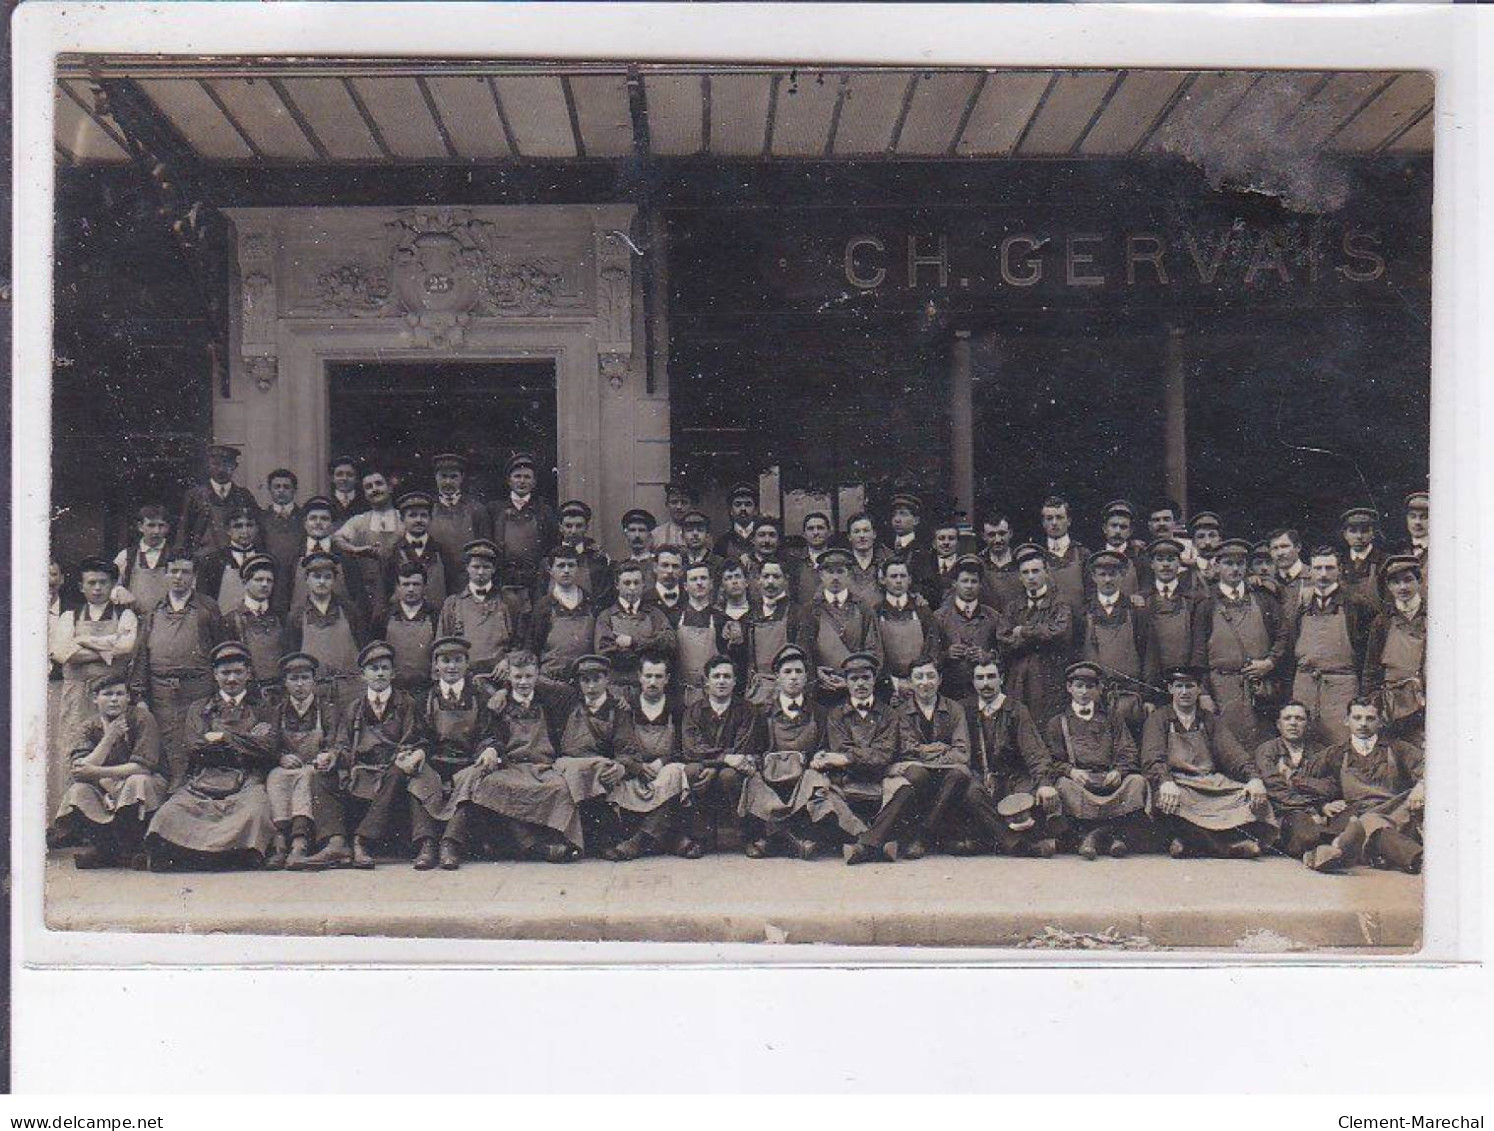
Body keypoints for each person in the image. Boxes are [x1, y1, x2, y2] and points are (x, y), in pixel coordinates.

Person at [145, 641, 279, 870]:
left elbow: (267, 747)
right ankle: (217, 855)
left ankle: (217, 855)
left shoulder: (263, 707)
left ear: (248, 674)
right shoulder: (200, 708)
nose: (232, 679)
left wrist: (222, 737)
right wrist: (245, 739)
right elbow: (195, 746)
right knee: (169, 814)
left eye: (238, 672)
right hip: (205, 777)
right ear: (215, 675)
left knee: (256, 811)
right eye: (225, 673)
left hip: (248, 777)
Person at [736, 644, 866, 859]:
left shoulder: (819, 712)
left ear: (806, 677)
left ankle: (780, 840)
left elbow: (826, 746)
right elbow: (754, 749)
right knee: (752, 783)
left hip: (805, 777)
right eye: (787, 672)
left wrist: (819, 757)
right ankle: (791, 840)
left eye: (798, 671)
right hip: (772, 778)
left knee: (818, 785)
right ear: (777, 677)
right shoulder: (763, 713)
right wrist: (760, 763)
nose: (793, 677)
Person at [1140, 665, 1274, 859]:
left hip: (1209, 783)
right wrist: (1165, 781)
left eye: (1190, 686)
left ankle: (1189, 844)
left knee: (1250, 799)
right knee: (1170, 802)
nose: (1184, 692)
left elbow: (1233, 754)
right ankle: (1226, 848)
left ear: (1199, 689)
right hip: (1177, 784)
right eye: (1179, 686)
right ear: (1170, 689)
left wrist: (1253, 779)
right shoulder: (1159, 719)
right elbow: (1152, 758)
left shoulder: (1210, 720)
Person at [464, 648, 584, 861]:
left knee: (562, 789)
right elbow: (487, 734)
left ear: (538, 675)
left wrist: (525, 685)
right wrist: (490, 748)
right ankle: (535, 847)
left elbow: (572, 692)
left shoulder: (549, 700)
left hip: (543, 767)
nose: (523, 682)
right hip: (512, 766)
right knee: (490, 785)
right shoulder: (498, 705)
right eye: (517, 677)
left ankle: (551, 842)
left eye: (529, 676)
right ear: (509, 676)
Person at [50, 672, 168, 869]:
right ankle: (105, 848)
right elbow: (79, 770)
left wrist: (98, 774)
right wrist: (109, 738)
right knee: (79, 790)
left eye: (120, 694)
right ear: (95, 698)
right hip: (106, 786)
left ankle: (134, 847)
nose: (114, 699)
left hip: (146, 786)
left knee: (136, 781)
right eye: (107, 694)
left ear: (128, 697)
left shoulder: (141, 718)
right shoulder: (89, 726)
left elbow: (142, 767)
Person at [331, 641, 433, 869]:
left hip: (394, 768)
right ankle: (336, 842)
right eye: (373, 668)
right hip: (363, 770)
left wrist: (403, 755)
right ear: (363, 675)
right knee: (325, 778)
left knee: (398, 773)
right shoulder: (354, 709)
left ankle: (361, 840)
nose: (379, 673)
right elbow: (343, 745)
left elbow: (411, 739)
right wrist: (334, 757)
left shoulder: (406, 703)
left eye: (384, 668)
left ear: (393, 673)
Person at [408, 635, 503, 870]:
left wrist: (489, 749)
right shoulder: (424, 700)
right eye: (446, 661)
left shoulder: (480, 698)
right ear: (436, 665)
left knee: (473, 778)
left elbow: (489, 733)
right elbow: (420, 736)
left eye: (458, 660)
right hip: (436, 760)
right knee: (418, 777)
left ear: (466, 664)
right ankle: (427, 843)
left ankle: (450, 843)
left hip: (467, 760)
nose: (451, 666)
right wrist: (419, 750)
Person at [130, 550, 222, 789]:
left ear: (194, 576)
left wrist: (217, 694)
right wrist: (139, 696)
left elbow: (221, 653)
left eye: (185, 571)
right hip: (162, 692)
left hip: (198, 690)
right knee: (166, 747)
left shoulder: (207, 608)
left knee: (195, 742)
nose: (179, 577)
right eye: (173, 571)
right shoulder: (154, 610)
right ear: (165, 574)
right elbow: (141, 656)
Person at [1302, 699, 1424, 874]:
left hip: (1397, 810)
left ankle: (1343, 848)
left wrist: (1422, 785)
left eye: (1370, 718)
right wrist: (1323, 804)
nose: (1363, 724)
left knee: (1366, 825)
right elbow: (1302, 778)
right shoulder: (1335, 753)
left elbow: (1430, 765)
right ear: (1346, 720)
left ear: (1380, 721)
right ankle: (1417, 859)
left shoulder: (1396, 748)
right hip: (1358, 813)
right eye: (1357, 718)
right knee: (1368, 824)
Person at [1190, 538, 1290, 750]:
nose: (1235, 569)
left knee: (1263, 745)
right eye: (1228, 563)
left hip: (1261, 688)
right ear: (1216, 566)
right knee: (1227, 748)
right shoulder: (1206, 605)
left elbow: (1283, 636)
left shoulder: (1264, 599)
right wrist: (1204, 693)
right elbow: (1198, 653)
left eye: (1240, 563)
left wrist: (1270, 662)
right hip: (1222, 688)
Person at [1044, 661, 1149, 859]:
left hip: (1109, 780)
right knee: (1062, 786)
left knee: (1137, 782)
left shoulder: (1112, 717)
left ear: (1099, 689)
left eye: (1090, 686)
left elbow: (1128, 750)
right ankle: (1105, 837)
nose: (1084, 692)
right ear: (1069, 688)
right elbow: (1051, 759)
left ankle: (1096, 837)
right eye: (1079, 686)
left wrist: (1119, 771)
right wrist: (1070, 771)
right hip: (1080, 783)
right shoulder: (1058, 722)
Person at [963, 653, 1062, 856]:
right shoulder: (965, 710)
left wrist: (1044, 783)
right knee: (971, 793)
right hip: (980, 780)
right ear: (973, 682)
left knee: (1030, 798)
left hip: (1012, 779)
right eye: (980, 678)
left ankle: (990, 841)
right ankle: (1018, 846)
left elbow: (1035, 752)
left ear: (1001, 678)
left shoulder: (1016, 710)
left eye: (991, 677)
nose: (986, 684)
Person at [603, 653, 697, 861]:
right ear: (639, 677)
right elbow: (618, 745)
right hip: (636, 768)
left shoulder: (678, 708)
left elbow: (685, 748)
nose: (653, 682)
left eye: (658, 676)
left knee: (675, 774)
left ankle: (638, 841)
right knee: (619, 782)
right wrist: (637, 766)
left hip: (665, 766)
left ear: (667, 679)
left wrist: (662, 761)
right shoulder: (627, 707)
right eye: (648, 676)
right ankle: (670, 839)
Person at [51, 557, 139, 777]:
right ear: (81, 586)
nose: (98, 588)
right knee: (75, 749)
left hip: (112, 696)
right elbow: (62, 653)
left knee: (115, 749)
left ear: (112, 584)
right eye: (91, 583)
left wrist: (82, 641)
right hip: (77, 697)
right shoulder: (69, 617)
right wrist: (108, 648)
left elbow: (126, 647)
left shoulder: (125, 615)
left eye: (103, 582)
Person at [265, 652, 351, 870]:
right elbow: (271, 743)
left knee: (306, 776)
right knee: (276, 777)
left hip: (316, 767)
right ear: (285, 683)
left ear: (314, 681)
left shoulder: (326, 709)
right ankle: (280, 842)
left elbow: (335, 739)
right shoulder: (279, 711)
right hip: (289, 767)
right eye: (294, 679)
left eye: (305, 678)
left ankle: (299, 843)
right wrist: (281, 757)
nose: (300, 685)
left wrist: (328, 754)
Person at [1291, 546, 1376, 745]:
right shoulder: (1302, 605)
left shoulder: (1355, 604)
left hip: (1342, 687)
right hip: (1305, 685)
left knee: (1341, 743)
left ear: (1339, 570)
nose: (1323, 574)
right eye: (1318, 568)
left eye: (1329, 568)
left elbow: (1367, 654)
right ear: (1309, 571)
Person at [679, 651, 761, 852]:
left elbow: (743, 748)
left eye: (727, 676)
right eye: (716, 676)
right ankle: (701, 838)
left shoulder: (747, 710)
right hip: (711, 764)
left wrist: (715, 766)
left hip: (732, 769)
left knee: (729, 775)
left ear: (735, 681)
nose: (721, 681)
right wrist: (723, 759)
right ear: (707, 682)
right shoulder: (694, 711)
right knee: (691, 771)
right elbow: (692, 748)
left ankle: (745, 838)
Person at [833, 653, 908, 865]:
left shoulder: (889, 714)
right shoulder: (836, 714)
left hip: (880, 780)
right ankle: (879, 843)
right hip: (849, 780)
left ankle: (863, 845)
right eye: (854, 679)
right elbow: (840, 748)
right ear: (846, 683)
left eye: (865, 677)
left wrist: (848, 758)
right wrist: (853, 758)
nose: (860, 684)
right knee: (822, 791)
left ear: (874, 679)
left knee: (906, 789)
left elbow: (883, 755)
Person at [554, 654, 633, 851]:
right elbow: (534, 681)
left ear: (607, 680)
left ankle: (598, 840)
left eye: (596, 680)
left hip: (598, 770)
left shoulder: (617, 709)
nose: (591, 686)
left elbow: (628, 750)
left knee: (600, 768)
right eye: (585, 680)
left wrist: (622, 766)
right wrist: (503, 691)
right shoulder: (568, 702)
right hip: (567, 766)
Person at [996, 544, 1073, 728]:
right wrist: (1039, 637)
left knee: (1048, 724)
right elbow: (1003, 638)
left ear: (1046, 572)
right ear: (1020, 577)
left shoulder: (1059, 602)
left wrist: (1024, 632)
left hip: (1050, 674)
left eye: (1036, 571)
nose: (1031, 577)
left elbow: (1059, 631)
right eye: (1026, 572)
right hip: (1019, 677)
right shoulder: (1013, 606)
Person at [1076, 549, 1150, 739]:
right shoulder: (1083, 613)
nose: (1108, 580)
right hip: (1093, 697)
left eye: (1113, 574)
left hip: (1130, 697)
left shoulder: (1136, 611)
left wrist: (1149, 697)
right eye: (1102, 574)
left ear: (1122, 575)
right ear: (1093, 576)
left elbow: (1148, 655)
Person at [797, 546, 883, 705]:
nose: (835, 577)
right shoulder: (810, 610)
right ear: (821, 575)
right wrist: (815, 674)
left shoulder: (863, 608)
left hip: (857, 688)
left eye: (840, 571)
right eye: (830, 571)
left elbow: (873, 650)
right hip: (821, 691)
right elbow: (804, 650)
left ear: (849, 575)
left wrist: (853, 679)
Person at [284, 550, 368, 709]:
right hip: (313, 692)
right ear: (306, 580)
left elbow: (363, 647)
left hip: (351, 691)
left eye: (327, 577)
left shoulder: (349, 610)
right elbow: (291, 655)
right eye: (316, 577)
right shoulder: (296, 615)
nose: (322, 582)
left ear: (335, 580)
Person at [1253, 701, 1337, 859]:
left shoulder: (1320, 751)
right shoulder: (1267, 750)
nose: (1293, 723)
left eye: (1299, 718)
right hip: (1282, 812)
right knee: (1303, 829)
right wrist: (1314, 806)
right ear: (1278, 724)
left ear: (1307, 723)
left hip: (1315, 812)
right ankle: (1317, 851)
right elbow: (1275, 789)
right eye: (1287, 718)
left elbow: (1330, 786)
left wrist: (1294, 781)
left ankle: (1324, 849)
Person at [487, 451, 559, 622]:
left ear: (534, 482)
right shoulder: (494, 510)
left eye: (527, 477)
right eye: (517, 476)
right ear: (509, 480)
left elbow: (552, 546)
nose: (522, 481)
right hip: (503, 580)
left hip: (535, 581)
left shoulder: (544, 511)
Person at [1364, 554, 1426, 746]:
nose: (1403, 587)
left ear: (1419, 581)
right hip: (1392, 704)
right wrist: (1373, 704)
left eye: (1408, 580)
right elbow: (1371, 668)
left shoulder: (1434, 616)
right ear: (1389, 587)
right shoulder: (1382, 622)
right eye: (1396, 582)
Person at [594, 559, 678, 692]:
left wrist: (633, 642)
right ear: (617, 585)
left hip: (649, 689)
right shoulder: (606, 616)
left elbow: (669, 642)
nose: (632, 588)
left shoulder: (655, 614)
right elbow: (605, 653)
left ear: (643, 584)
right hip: (616, 689)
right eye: (627, 583)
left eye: (636, 582)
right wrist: (650, 650)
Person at [332, 465, 403, 619]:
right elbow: (337, 538)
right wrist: (355, 550)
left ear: (390, 488)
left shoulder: (403, 518)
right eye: (368, 487)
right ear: (364, 494)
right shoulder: (359, 521)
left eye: (379, 484)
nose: (374, 489)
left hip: (402, 592)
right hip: (370, 596)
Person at [439, 539, 517, 676]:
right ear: (467, 568)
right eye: (476, 567)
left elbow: (519, 641)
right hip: (463, 676)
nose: (480, 572)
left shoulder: (508, 602)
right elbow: (441, 644)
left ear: (493, 569)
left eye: (486, 567)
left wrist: (508, 661)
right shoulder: (453, 603)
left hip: (499, 676)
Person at [930, 554, 999, 702]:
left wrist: (987, 656)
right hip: (949, 692)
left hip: (984, 692)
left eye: (974, 581)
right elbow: (930, 656)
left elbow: (1005, 654)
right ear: (955, 583)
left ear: (980, 585)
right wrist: (947, 654)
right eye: (964, 581)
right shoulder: (939, 618)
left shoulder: (993, 617)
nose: (969, 586)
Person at [175, 441, 259, 557]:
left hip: (237, 558)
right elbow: (183, 531)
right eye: (216, 464)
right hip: (204, 558)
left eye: (226, 465)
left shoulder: (243, 495)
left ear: (235, 466)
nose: (221, 469)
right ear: (208, 465)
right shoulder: (195, 496)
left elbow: (256, 528)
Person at [873, 556, 940, 701]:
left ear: (909, 579)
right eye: (893, 576)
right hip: (888, 689)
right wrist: (895, 684)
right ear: (883, 580)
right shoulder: (875, 612)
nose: (898, 581)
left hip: (920, 685)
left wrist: (916, 680)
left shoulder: (923, 610)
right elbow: (874, 650)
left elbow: (932, 646)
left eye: (902, 576)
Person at [1140, 536, 1200, 693]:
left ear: (1179, 564)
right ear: (1152, 564)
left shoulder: (1193, 600)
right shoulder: (1141, 600)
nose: (1165, 564)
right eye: (1160, 559)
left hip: (1184, 679)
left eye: (1171, 559)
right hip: (1152, 679)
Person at [530, 544, 598, 681]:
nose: (566, 570)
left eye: (571, 565)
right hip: (552, 679)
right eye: (561, 566)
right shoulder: (543, 606)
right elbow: (533, 647)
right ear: (550, 570)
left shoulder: (591, 603)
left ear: (578, 568)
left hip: (585, 678)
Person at [220, 553, 286, 693]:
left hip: (280, 690)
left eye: (269, 581)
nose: (264, 584)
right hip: (249, 691)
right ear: (245, 583)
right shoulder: (231, 620)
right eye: (259, 579)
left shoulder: (282, 617)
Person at [741, 557, 800, 705]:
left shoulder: (797, 613)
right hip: (757, 692)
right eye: (766, 576)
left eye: (776, 576)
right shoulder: (749, 616)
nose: (770, 582)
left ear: (786, 580)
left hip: (788, 690)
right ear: (758, 580)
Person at [428, 452, 490, 588]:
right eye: (443, 476)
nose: (448, 482)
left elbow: (485, 551)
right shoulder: (428, 510)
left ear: (462, 478)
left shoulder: (476, 510)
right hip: (436, 581)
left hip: (468, 582)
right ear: (436, 477)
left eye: (453, 477)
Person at [286, 496, 354, 615]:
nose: (318, 522)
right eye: (313, 518)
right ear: (304, 523)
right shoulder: (293, 556)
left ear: (332, 525)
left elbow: (357, 599)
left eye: (324, 519)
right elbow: (283, 599)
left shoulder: (345, 557)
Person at [383, 491, 449, 610]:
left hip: (436, 618)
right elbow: (385, 591)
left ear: (430, 518)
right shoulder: (392, 551)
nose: (419, 520)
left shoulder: (441, 550)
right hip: (402, 621)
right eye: (412, 515)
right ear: (402, 519)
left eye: (423, 515)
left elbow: (451, 586)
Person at [382, 561, 441, 693]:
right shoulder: (384, 617)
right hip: (393, 691)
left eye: (416, 584)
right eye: (406, 584)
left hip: (428, 690)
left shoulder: (436, 616)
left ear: (425, 587)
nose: (411, 589)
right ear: (397, 587)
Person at [193, 506, 264, 613]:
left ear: (257, 528)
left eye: (249, 525)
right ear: (228, 530)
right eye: (238, 526)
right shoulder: (212, 561)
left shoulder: (265, 559)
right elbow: (203, 599)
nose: (244, 531)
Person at [111, 503, 173, 615]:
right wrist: (118, 591)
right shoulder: (126, 556)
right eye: (151, 525)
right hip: (133, 621)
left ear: (167, 528)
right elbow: (110, 586)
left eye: (161, 526)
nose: (156, 531)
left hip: (167, 622)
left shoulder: (175, 557)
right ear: (140, 526)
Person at [673, 561, 720, 705]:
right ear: (685, 586)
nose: (699, 583)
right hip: (681, 696)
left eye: (703, 578)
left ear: (711, 584)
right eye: (694, 579)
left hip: (714, 696)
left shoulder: (721, 619)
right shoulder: (674, 617)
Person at [551, 499, 612, 608]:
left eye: (579, 526)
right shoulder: (548, 560)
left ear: (586, 528)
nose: (573, 531)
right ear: (560, 527)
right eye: (568, 526)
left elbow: (604, 598)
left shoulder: (597, 560)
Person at [1040, 495, 1090, 609]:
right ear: (1043, 523)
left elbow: (1092, 592)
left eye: (1059, 517)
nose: (1054, 522)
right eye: (1049, 518)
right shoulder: (1038, 555)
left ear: (1069, 521)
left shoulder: (1083, 554)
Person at [259, 468, 304, 590]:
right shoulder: (261, 519)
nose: (281, 491)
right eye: (276, 487)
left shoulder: (305, 518)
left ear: (294, 490)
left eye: (286, 487)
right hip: (271, 579)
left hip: (299, 578)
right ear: (269, 489)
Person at [1339, 506, 1386, 611]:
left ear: (1373, 533)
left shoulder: (1384, 561)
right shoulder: (1339, 562)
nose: (1359, 536)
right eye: (1353, 531)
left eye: (1364, 531)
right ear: (1345, 534)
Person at [1096, 500, 1146, 599]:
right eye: (1113, 526)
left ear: (1130, 531)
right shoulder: (1094, 557)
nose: (1117, 531)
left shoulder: (1139, 559)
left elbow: (1146, 589)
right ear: (1105, 528)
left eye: (1123, 527)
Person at [977, 508, 1022, 614]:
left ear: (1010, 533)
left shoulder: (1021, 562)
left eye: (1002, 534)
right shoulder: (978, 564)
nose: (997, 540)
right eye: (991, 535)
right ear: (983, 536)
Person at [915, 515, 966, 609]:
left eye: (951, 538)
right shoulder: (922, 566)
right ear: (934, 543)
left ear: (958, 543)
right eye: (941, 538)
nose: (946, 543)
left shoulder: (965, 565)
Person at [844, 511, 891, 608]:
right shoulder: (842, 563)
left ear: (874, 534)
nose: (862, 536)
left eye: (866, 530)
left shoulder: (888, 560)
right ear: (849, 537)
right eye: (856, 531)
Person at [791, 511, 835, 604]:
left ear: (829, 532)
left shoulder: (837, 559)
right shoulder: (795, 562)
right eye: (811, 529)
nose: (816, 533)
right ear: (804, 534)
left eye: (820, 528)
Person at [715, 482, 760, 561]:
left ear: (756, 510)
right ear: (731, 511)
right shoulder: (722, 543)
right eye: (738, 504)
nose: (743, 508)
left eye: (748, 504)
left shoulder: (764, 537)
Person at [1267, 528, 1309, 609]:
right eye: (1275, 548)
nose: (1280, 553)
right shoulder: (1268, 580)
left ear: (1298, 547)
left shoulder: (1315, 577)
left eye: (1285, 546)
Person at [619, 507, 659, 590]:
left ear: (650, 536)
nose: (637, 535)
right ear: (626, 536)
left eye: (642, 530)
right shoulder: (620, 567)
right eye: (632, 530)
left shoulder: (658, 566)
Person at [678, 509, 724, 579]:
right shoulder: (678, 562)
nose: (695, 534)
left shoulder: (719, 563)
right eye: (689, 530)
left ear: (707, 535)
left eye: (700, 530)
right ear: (682, 536)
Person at [652, 481, 697, 551]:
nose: (679, 507)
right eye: (674, 502)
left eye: (684, 502)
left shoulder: (700, 535)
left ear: (692, 505)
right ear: (667, 504)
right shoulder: (656, 533)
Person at [327, 454, 368, 528]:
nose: (344, 478)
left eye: (349, 475)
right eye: (339, 474)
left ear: (356, 479)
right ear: (332, 478)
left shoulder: (366, 504)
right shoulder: (326, 503)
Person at [647, 545, 686, 622]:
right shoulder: (644, 600)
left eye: (675, 566)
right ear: (655, 567)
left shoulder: (689, 599)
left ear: (682, 571)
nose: (670, 571)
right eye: (665, 565)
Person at [1187, 511, 1223, 589]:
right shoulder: (1184, 574)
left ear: (1220, 540)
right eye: (1201, 537)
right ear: (1193, 542)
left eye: (1212, 536)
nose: (1207, 542)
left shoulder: (1230, 570)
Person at [1401, 489, 1429, 571]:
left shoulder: (1441, 549)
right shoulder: (1398, 549)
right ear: (1406, 519)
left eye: (1424, 517)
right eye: (1412, 516)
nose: (1417, 522)